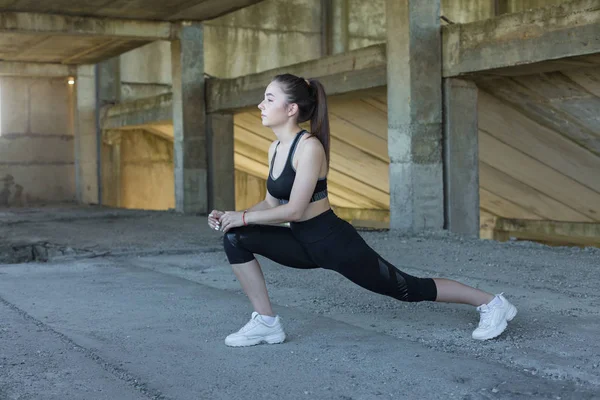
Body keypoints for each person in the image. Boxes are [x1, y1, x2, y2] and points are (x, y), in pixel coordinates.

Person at [208, 73, 517, 347]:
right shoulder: (276, 148)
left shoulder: (309, 147)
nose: (261, 104)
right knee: (235, 237)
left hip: (334, 243)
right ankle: (266, 323)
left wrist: (244, 217)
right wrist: (231, 217)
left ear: (291, 109)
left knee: (407, 288)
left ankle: (491, 303)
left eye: (269, 98)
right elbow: (273, 204)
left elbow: (295, 211)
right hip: (303, 245)